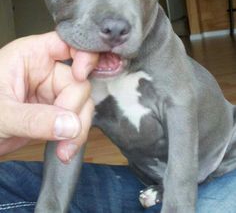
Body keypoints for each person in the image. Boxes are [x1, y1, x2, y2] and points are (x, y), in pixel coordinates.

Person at [0, 32, 236, 213]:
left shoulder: (163, 50)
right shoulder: (75, 72)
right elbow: (66, 147)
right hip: (151, 177)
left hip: (226, 160)